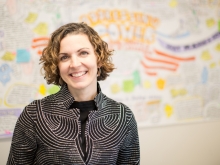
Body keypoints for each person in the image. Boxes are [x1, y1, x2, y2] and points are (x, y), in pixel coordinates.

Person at [7, 22, 140, 165]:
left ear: (99, 59)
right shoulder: (34, 114)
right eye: (64, 57)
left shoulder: (123, 116)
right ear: (56, 65)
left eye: (83, 53)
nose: (75, 64)